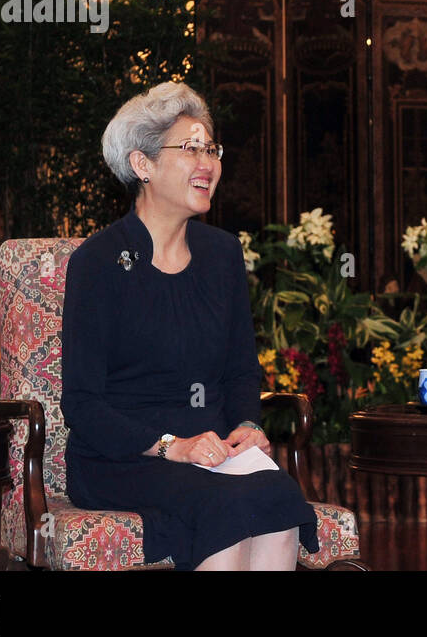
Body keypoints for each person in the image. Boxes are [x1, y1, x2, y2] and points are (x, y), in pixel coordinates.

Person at [61, 82, 319, 570]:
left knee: (278, 497)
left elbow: (241, 370)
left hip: (213, 451)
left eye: (212, 149)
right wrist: (170, 446)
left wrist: (246, 425)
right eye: (190, 148)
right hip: (121, 457)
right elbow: (82, 403)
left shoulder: (222, 255)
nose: (208, 163)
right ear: (144, 165)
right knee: (224, 504)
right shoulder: (98, 263)